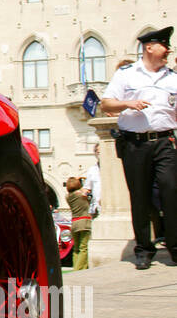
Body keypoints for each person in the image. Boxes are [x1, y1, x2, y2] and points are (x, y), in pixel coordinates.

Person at [100, 26, 177, 269]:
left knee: (171, 191)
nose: (168, 50)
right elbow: (106, 104)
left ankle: (175, 246)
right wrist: (128, 104)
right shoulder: (127, 74)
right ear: (150, 47)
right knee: (140, 197)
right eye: (164, 45)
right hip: (135, 144)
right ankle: (144, 249)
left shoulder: (173, 77)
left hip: (165, 141)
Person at [65, 176, 92, 270]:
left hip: (74, 223)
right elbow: (86, 191)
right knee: (83, 248)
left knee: (76, 249)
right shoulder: (81, 194)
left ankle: (78, 266)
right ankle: (78, 268)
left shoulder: (68, 197)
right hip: (84, 222)